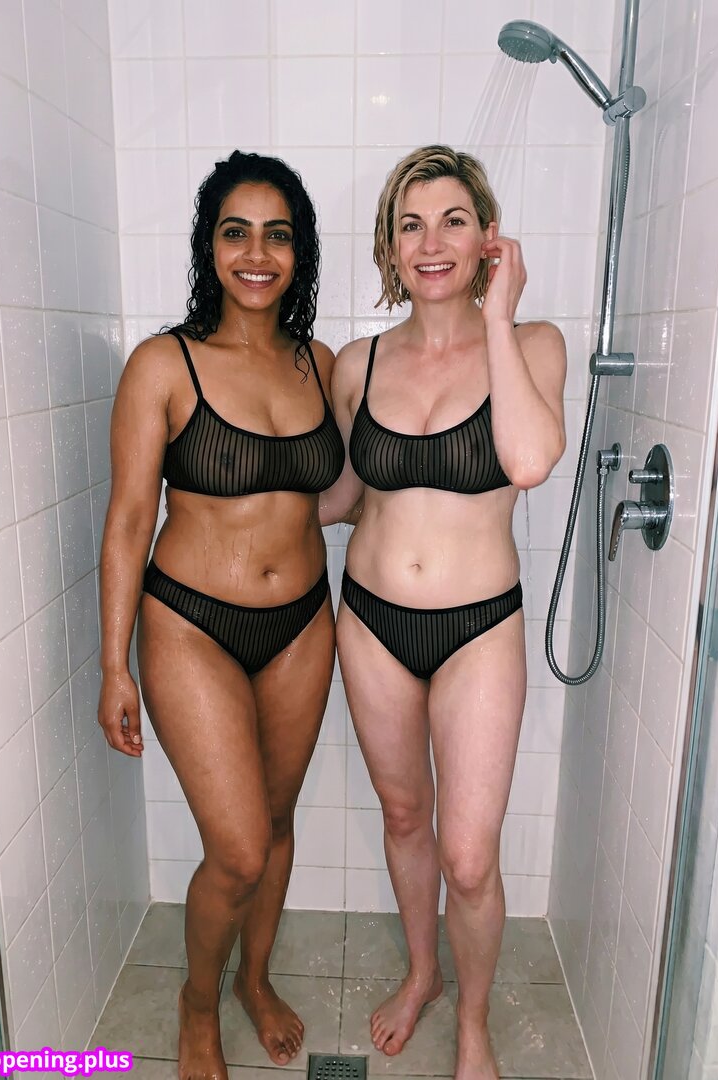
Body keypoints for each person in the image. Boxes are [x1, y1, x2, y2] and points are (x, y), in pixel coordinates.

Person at [320, 145, 566, 1079]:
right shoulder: (357, 364)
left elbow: (530, 460)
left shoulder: (532, 345)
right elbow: (345, 496)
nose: (432, 242)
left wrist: (497, 314)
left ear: (486, 237)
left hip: (479, 630)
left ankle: (473, 1021)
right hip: (371, 621)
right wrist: (242, 507)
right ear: (389, 246)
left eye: (454, 221)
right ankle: (423, 973)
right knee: (403, 813)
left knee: (469, 856)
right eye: (411, 224)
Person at [97, 150, 344, 1080]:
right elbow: (129, 522)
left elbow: (338, 489)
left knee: (275, 824)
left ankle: (256, 979)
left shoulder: (317, 362)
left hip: (302, 625)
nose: (257, 254)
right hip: (191, 624)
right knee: (237, 850)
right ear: (208, 245)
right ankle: (197, 1004)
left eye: (278, 235)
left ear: (299, 252)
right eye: (236, 232)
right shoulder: (163, 364)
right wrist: (114, 664)